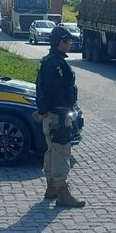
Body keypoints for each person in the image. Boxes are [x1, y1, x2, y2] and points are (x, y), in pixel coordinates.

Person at [33, 25, 86, 208]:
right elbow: (51, 90)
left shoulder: (47, 60)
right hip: (59, 116)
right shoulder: (57, 64)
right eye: (68, 41)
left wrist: (41, 110)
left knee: (50, 151)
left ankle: (51, 188)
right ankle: (62, 192)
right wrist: (43, 109)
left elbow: (42, 90)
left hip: (50, 114)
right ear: (61, 42)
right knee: (62, 152)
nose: (70, 44)